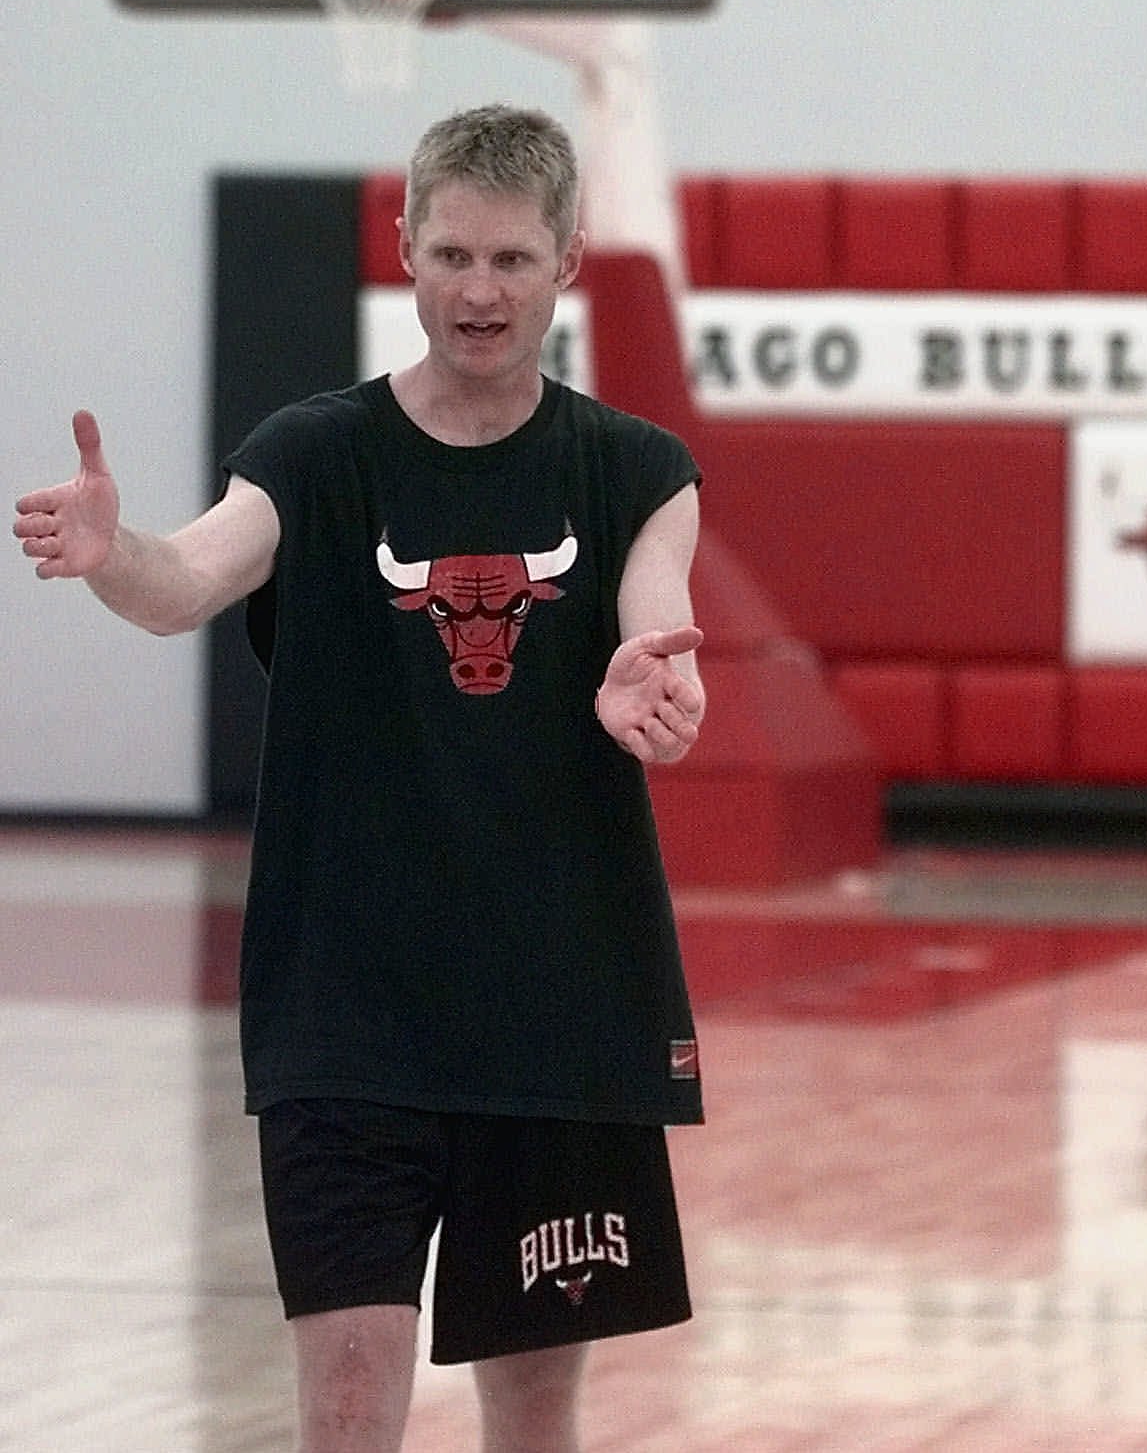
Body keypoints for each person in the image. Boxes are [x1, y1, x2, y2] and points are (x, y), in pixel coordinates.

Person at [14, 104, 706, 1453]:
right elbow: (186, 582)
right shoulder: (312, 453)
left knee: (534, 1416)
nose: (479, 290)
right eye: (451, 255)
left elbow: (660, 623)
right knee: (342, 1407)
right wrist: (114, 555)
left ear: (566, 260)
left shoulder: (636, 470)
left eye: (511, 259)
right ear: (404, 251)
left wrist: (660, 688)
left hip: (556, 1014)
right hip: (344, 1014)